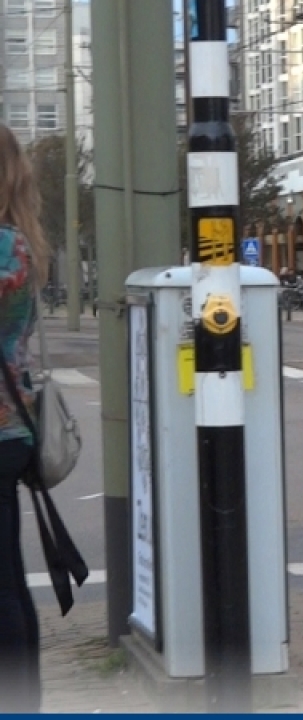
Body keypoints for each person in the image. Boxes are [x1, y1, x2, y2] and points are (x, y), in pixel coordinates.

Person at [0, 122, 50, 712]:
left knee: (4, 587)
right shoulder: (19, 241)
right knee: (8, 577)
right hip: (12, 426)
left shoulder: (3, 246)